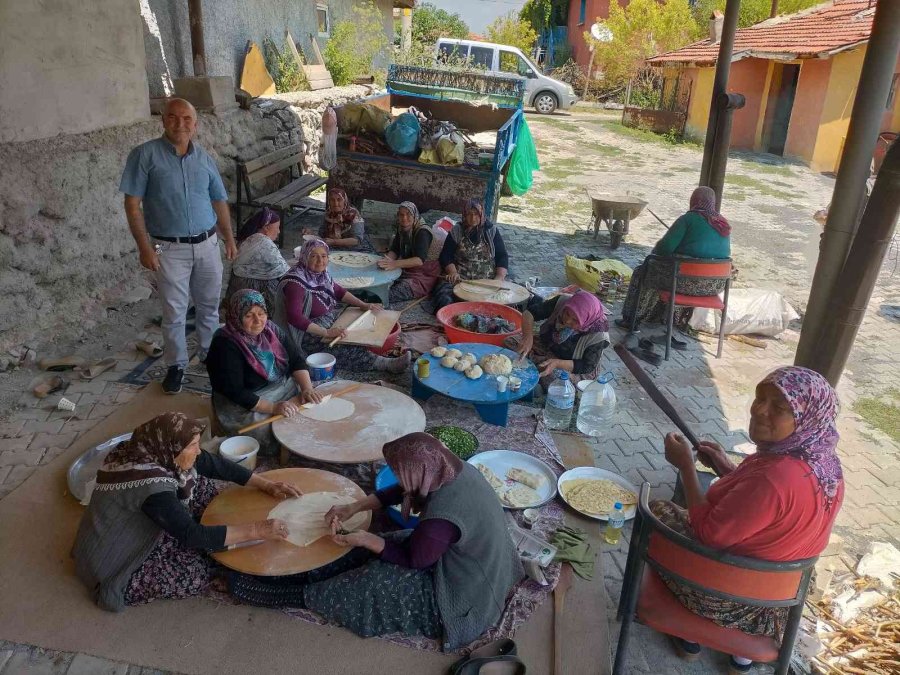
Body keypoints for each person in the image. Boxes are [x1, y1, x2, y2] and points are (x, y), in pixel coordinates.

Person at [227, 432, 524, 650]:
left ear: (419, 472)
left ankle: (291, 594)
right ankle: (300, 573)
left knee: (369, 585)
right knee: (379, 545)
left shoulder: (441, 519)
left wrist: (366, 539)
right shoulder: (448, 469)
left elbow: (416, 560)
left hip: (465, 595)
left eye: (399, 472)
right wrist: (354, 507)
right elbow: (402, 491)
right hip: (470, 558)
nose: (398, 478)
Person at [652, 366, 844, 673]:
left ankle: (690, 632)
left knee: (659, 511)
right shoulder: (823, 464)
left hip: (732, 599)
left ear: (805, 417)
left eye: (779, 407)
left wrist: (686, 467)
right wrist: (725, 467)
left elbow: (708, 533)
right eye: (760, 397)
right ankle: (741, 658)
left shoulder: (775, 477)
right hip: (781, 598)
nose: (759, 410)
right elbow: (766, 509)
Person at [72, 412, 298, 612]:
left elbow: (212, 463)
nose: (198, 450)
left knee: (202, 486)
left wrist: (266, 484)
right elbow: (192, 535)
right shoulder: (150, 487)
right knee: (193, 573)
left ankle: (207, 534)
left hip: (147, 515)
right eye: (192, 446)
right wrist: (258, 529)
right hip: (116, 555)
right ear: (172, 449)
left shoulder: (149, 449)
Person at [121, 98, 237, 395]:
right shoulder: (144, 155)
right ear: (163, 120)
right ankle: (176, 365)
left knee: (209, 306)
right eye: (173, 117)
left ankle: (210, 354)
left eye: (187, 119)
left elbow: (218, 200)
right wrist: (144, 248)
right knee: (174, 310)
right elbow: (132, 205)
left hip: (208, 243)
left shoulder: (204, 158)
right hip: (166, 247)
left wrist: (229, 238)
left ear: (195, 125)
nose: (180, 124)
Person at [206, 289, 322, 456]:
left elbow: (296, 359)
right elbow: (235, 391)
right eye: (249, 315)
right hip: (245, 403)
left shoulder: (271, 330)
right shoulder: (225, 344)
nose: (258, 321)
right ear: (236, 316)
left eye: (261, 313)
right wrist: (273, 407)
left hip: (280, 387)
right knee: (273, 432)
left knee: (317, 400)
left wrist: (307, 389)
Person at [274, 239, 410, 373]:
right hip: (305, 334)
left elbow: (338, 291)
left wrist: (363, 305)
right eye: (314, 256)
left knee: (358, 325)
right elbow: (295, 318)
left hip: (327, 321)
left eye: (324, 256)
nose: (320, 261)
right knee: (342, 348)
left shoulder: (321, 275)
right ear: (305, 257)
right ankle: (386, 364)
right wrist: (326, 332)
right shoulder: (296, 283)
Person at [619, 186, 731, 331]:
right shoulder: (723, 224)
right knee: (668, 272)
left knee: (644, 270)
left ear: (694, 201)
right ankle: (668, 319)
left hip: (683, 283)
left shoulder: (688, 219)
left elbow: (662, 249)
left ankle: (632, 319)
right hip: (714, 286)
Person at [511, 290, 610, 389]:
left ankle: (536, 365)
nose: (567, 321)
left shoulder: (598, 335)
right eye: (567, 313)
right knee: (512, 342)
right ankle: (536, 364)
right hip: (549, 347)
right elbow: (529, 313)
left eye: (575, 320)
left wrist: (557, 363)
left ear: (586, 320)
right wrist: (528, 337)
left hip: (573, 365)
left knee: (554, 381)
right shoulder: (563, 302)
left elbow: (587, 366)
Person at [432, 199, 510, 311]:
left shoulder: (491, 231)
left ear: (482, 214)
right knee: (444, 298)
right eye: (469, 214)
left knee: (507, 299)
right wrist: (453, 272)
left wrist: (498, 278)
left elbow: (502, 256)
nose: (473, 218)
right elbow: (446, 255)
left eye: (476, 214)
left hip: (487, 281)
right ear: (464, 214)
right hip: (461, 280)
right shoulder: (457, 230)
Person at [377, 201, 446, 304]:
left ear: (414, 215)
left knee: (389, 294)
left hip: (424, 274)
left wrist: (394, 264)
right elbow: (395, 250)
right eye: (401, 215)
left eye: (408, 214)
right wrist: (386, 261)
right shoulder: (402, 228)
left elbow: (419, 260)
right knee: (379, 281)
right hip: (409, 269)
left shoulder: (423, 232)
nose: (404, 218)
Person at [226, 208, 290, 312]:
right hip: (250, 285)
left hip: (236, 283)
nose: (279, 231)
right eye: (277, 227)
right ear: (266, 228)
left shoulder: (250, 238)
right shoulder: (264, 243)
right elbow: (284, 271)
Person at [304, 187, 370, 251]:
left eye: (339, 200)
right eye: (332, 200)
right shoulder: (329, 214)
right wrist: (311, 234)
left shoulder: (353, 214)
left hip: (352, 250)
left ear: (344, 201)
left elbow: (357, 240)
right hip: (332, 248)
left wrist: (334, 242)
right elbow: (322, 235)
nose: (336, 203)